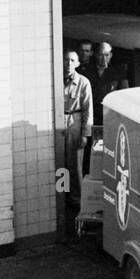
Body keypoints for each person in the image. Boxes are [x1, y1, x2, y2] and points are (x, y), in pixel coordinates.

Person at [62, 50, 93, 204]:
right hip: (60, 123)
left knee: (75, 164)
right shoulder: (57, 79)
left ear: (78, 64)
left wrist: (85, 135)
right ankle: (62, 196)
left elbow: (88, 110)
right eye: (66, 60)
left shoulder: (83, 82)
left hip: (76, 122)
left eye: (73, 61)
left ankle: (77, 199)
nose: (69, 64)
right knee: (61, 163)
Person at [84, 41, 128, 128]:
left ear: (111, 55)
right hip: (92, 117)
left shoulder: (119, 73)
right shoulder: (87, 71)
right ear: (96, 55)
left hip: (111, 116)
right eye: (101, 55)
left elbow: (124, 96)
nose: (104, 59)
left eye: (107, 55)